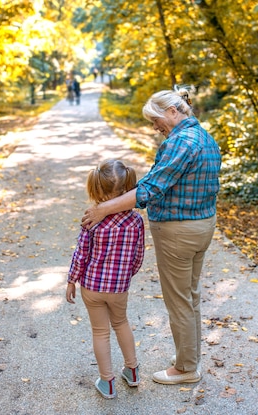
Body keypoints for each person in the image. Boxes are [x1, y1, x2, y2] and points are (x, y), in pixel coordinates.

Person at [81, 85, 221, 385]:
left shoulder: (181, 142)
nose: (154, 127)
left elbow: (149, 189)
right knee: (191, 296)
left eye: (155, 120)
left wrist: (103, 209)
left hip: (178, 231)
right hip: (203, 224)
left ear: (173, 111)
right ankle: (189, 355)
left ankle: (185, 369)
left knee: (180, 301)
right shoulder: (204, 137)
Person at [66, 159, 145, 399]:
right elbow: (138, 255)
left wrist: (72, 279)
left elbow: (81, 254)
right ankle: (132, 372)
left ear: (97, 190)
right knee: (121, 323)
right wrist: (125, 275)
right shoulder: (136, 221)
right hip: (118, 287)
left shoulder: (92, 219)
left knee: (100, 332)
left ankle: (107, 382)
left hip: (92, 286)